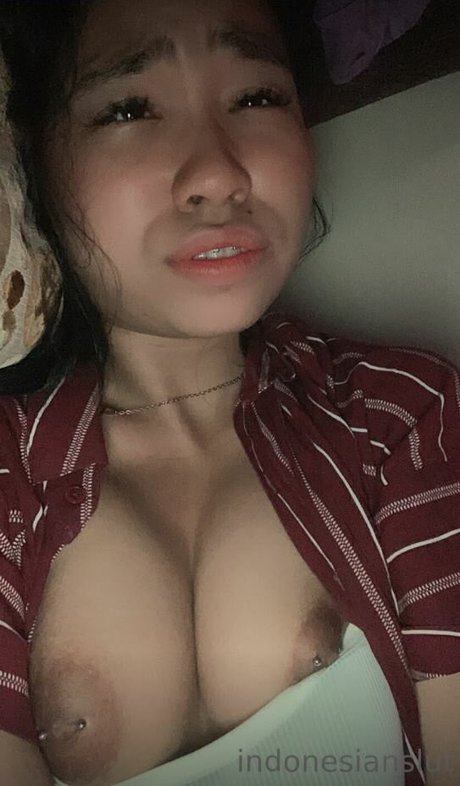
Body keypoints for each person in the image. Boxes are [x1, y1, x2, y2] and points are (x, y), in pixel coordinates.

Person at [0, 1, 459, 785]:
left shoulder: (400, 412)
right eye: (129, 108)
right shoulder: (10, 475)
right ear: (32, 157)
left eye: (256, 96)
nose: (217, 173)